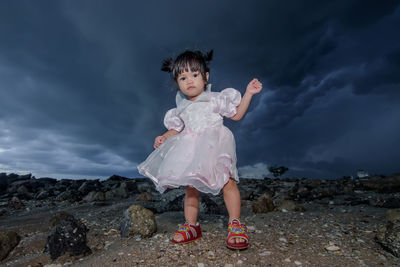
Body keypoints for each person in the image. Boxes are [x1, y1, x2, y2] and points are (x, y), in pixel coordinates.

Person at [137, 50, 262, 250]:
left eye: (194, 75)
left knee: (228, 182)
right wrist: (163, 137)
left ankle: (235, 223)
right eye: (182, 77)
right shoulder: (181, 108)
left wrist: (248, 93)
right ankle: (191, 225)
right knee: (191, 188)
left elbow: (237, 115)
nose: (189, 81)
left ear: (206, 76)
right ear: (177, 83)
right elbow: (175, 129)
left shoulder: (215, 98)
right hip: (192, 151)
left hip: (217, 145)